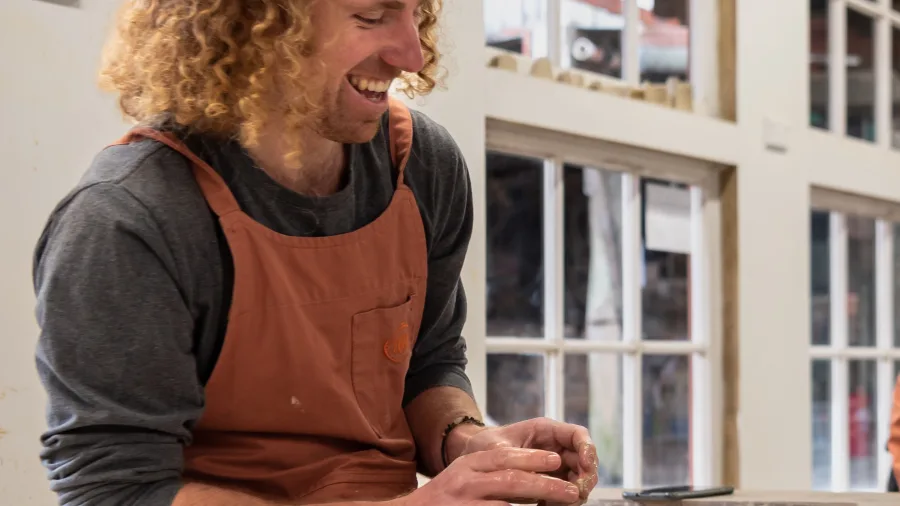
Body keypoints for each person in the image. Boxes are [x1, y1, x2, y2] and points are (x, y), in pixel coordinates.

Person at [32, 1, 600, 505]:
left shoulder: (423, 166)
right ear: (259, 20)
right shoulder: (128, 220)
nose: (411, 53)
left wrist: (471, 442)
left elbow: (427, 363)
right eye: (372, 17)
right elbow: (117, 489)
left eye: (416, 14)